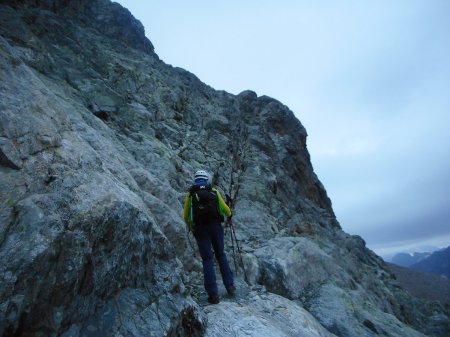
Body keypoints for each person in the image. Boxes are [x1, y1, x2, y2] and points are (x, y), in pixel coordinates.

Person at [183, 169, 235, 304]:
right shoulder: (214, 192)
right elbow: (226, 209)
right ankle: (229, 286)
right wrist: (229, 217)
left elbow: (186, 216)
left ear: (195, 180)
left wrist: (192, 228)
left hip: (201, 228)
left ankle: (213, 294)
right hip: (216, 226)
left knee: (207, 259)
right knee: (220, 254)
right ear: (207, 180)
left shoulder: (190, 195)